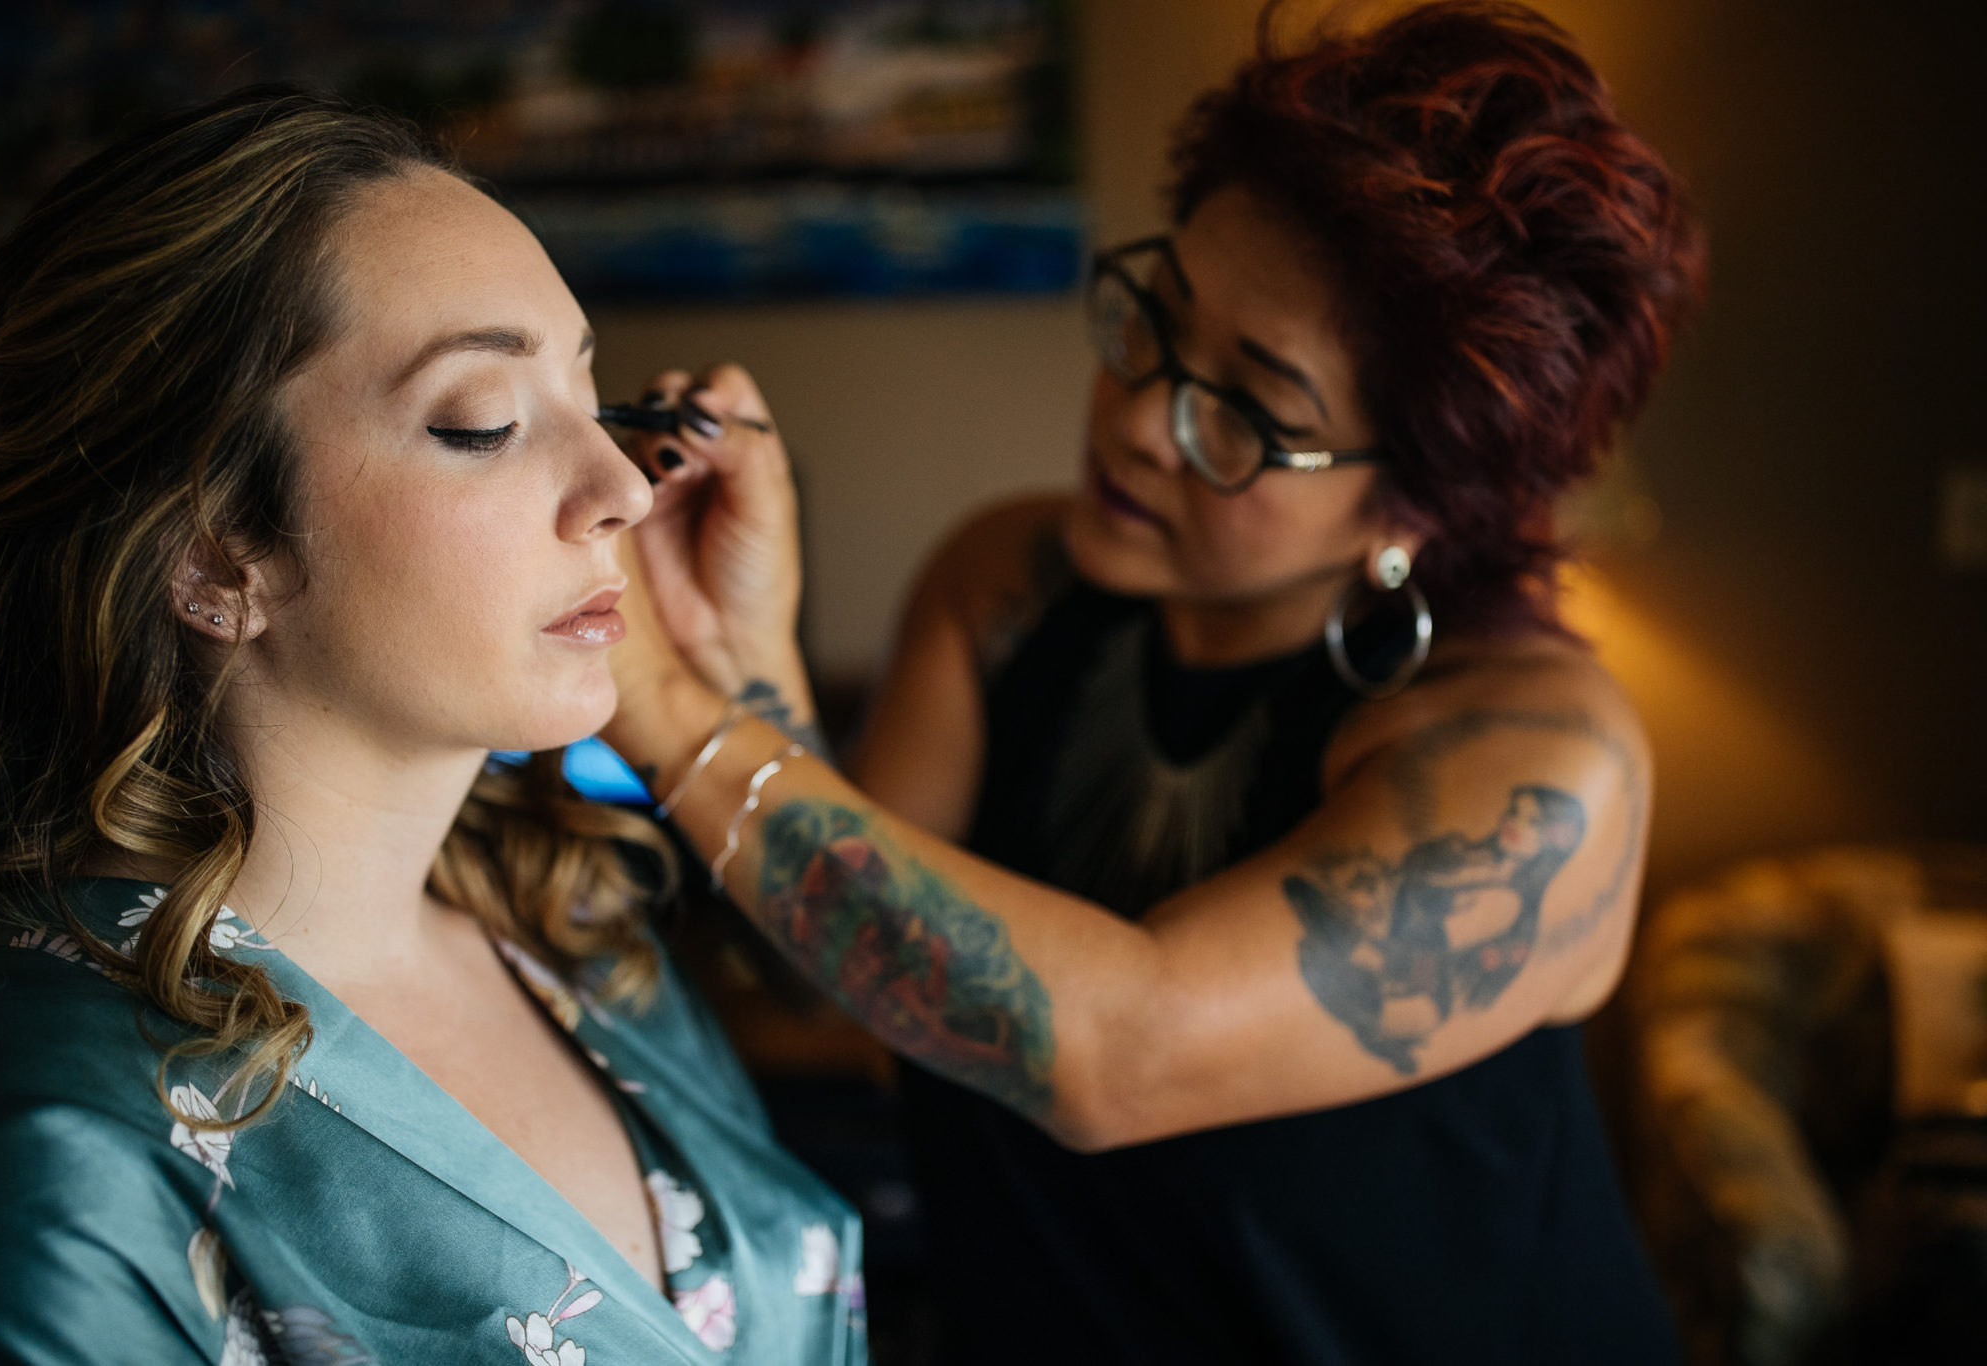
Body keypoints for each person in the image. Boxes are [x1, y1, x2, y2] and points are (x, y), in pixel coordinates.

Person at [600, 3, 1704, 1361]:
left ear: (1410, 501)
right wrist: (744, 651)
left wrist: (661, 702)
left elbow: (1112, 1051)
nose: (1133, 419)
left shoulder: (1536, 765)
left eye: (1246, 411)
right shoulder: (1005, 587)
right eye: (1154, 321)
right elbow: (852, 973)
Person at [0, 89, 864, 1365]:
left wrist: (733, 677)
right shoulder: (61, 1150)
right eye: (480, 422)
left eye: (596, 399)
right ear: (217, 554)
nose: (619, 491)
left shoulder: (578, 945)